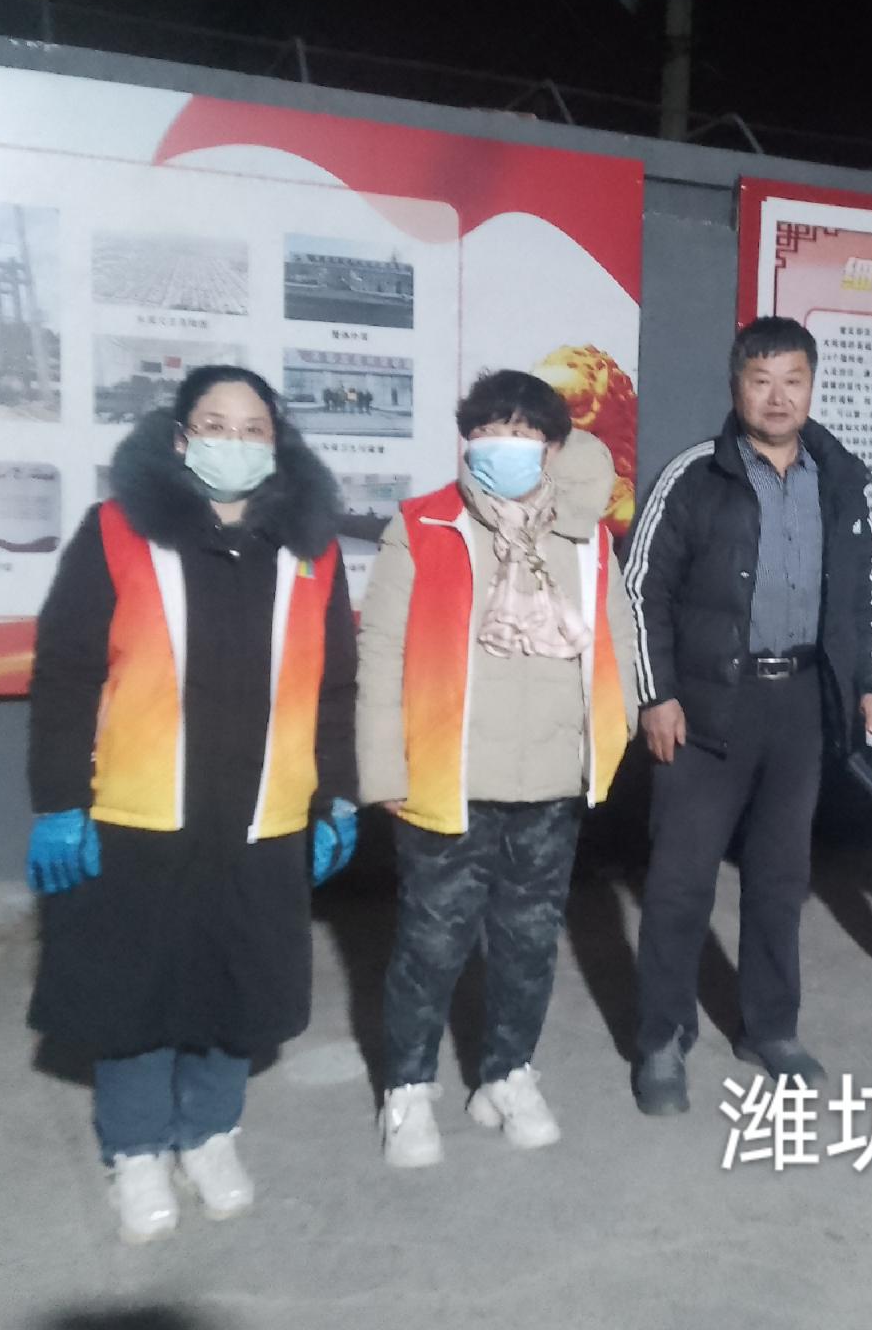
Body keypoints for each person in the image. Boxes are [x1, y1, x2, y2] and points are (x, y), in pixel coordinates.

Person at [25, 365, 357, 1244]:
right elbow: (66, 671)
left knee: (235, 983)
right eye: (215, 425)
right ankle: (135, 1149)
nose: (233, 443)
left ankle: (210, 1134)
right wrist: (59, 799)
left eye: (253, 429)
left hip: (263, 812)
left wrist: (336, 795)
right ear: (180, 439)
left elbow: (334, 686)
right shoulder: (117, 532)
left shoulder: (312, 550)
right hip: (143, 812)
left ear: (276, 444)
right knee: (138, 987)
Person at [357, 370, 636, 1165]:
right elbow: (381, 652)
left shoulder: (587, 540)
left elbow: (619, 641)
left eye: (522, 431)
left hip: (550, 783)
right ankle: (408, 1089)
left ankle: (507, 1074)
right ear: (466, 441)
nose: (503, 445)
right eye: (488, 430)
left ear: (553, 447)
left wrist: (605, 749)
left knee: (529, 942)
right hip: (447, 778)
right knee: (431, 943)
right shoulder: (424, 527)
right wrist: (384, 768)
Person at [625, 315, 872, 1114]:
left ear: (811, 387)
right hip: (708, 706)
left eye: (793, 381)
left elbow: (863, 587)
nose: (778, 397)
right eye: (761, 380)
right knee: (680, 882)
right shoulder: (692, 476)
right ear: (736, 385)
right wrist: (656, 694)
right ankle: (662, 1038)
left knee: (781, 879)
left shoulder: (838, 477)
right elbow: (641, 588)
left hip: (801, 704)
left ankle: (770, 1027)